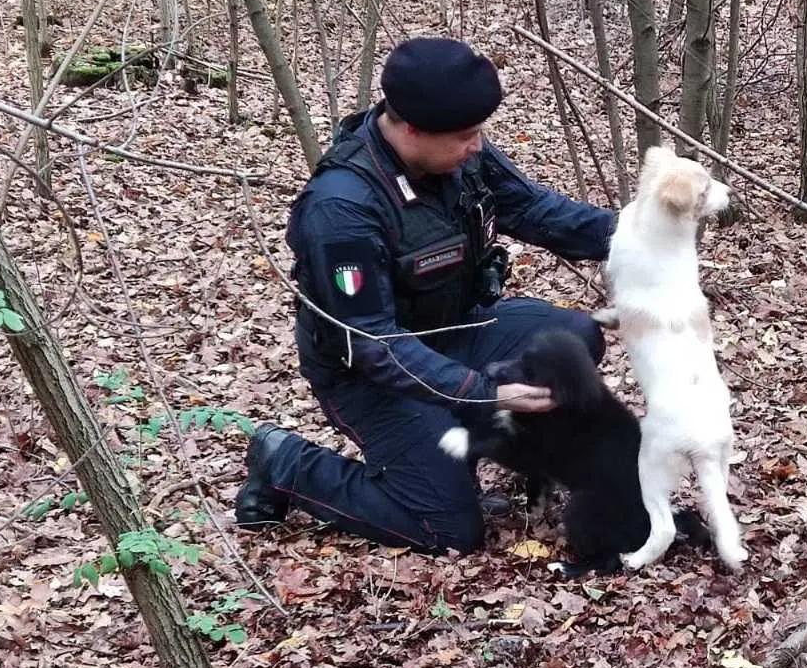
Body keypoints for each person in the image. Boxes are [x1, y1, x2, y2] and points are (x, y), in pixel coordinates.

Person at [236, 37, 616, 553]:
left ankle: (468, 446)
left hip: (453, 331)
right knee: (449, 530)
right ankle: (285, 462)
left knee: (572, 336)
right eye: (466, 135)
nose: (477, 146)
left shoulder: (458, 156)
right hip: (369, 377)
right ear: (411, 128)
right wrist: (485, 392)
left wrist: (641, 238)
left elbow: (531, 209)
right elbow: (373, 343)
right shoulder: (340, 211)